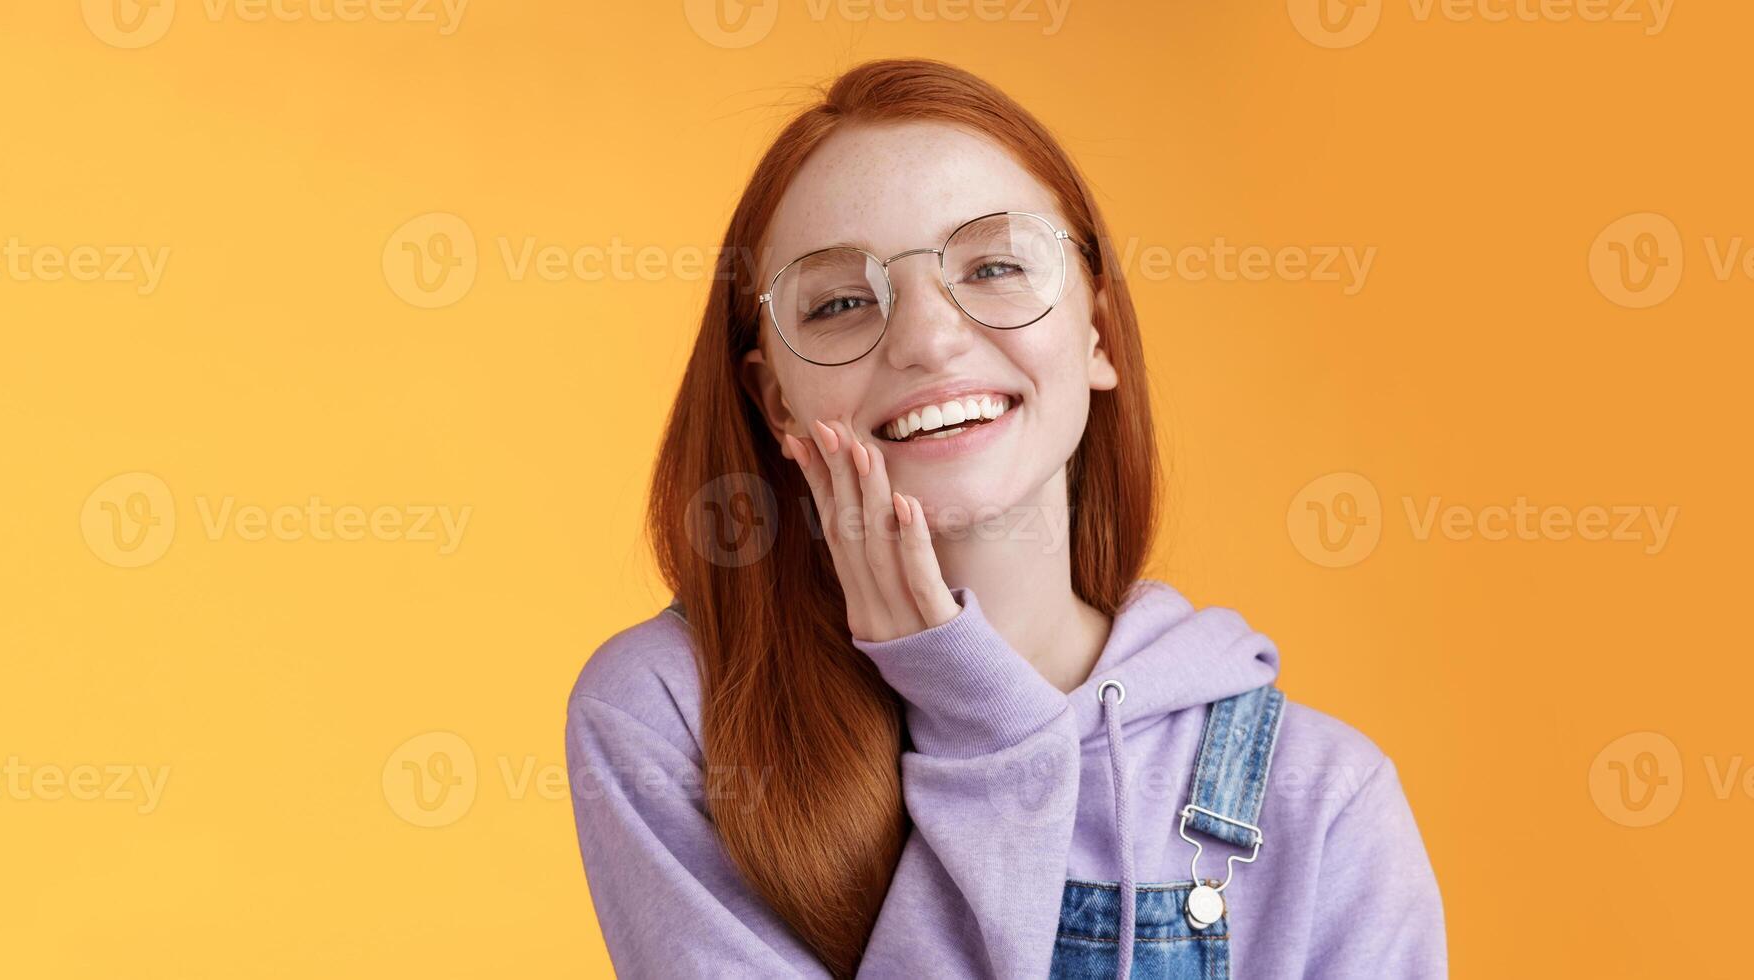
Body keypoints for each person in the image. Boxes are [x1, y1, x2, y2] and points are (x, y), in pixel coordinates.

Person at [567, 58, 1445, 978]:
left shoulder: (1322, 799)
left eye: (992, 267)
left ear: (1096, 334)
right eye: (837, 303)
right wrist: (978, 725)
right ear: (777, 404)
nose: (927, 338)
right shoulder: (674, 716)